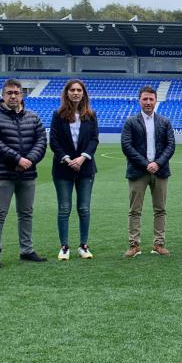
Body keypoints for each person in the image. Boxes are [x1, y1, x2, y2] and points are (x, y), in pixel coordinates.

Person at [0, 78, 47, 267]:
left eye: (16, 93)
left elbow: (41, 142)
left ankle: (26, 250)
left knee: (26, 213)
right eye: (9, 93)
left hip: (27, 173)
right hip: (2, 174)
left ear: (22, 95)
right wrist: (17, 159)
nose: (13, 96)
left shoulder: (33, 117)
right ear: (2, 95)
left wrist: (29, 161)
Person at [121, 86, 175, 257]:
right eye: (145, 99)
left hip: (160, 171)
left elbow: (170, 145)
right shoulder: (131, 122)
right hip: (138, 171)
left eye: (151, 99)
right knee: (135, 210)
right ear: (140, 100)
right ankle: (134, 245)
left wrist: (157, 163)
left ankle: (159, 244)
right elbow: (127, 146)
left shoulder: (165, 122)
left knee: (160, 209)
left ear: (156, 101)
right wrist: (146, 164)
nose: (148, 102)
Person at [49, 79, 99, 261]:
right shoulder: (58, 115)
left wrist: (83, 157)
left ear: (84, 93)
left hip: (85, 170)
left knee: (84, 209)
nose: (76, 93)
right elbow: (53, 140)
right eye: (72, 90)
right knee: (64, 208)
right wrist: (67, 158)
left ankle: (83, 246)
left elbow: (94, 140)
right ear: (67, 93)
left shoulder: (91, 116)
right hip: (63, 169)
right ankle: (64, 246)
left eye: (79, 90)